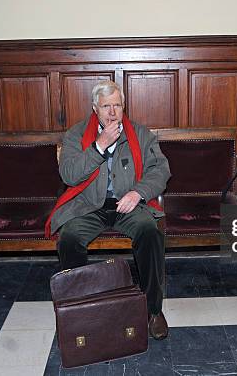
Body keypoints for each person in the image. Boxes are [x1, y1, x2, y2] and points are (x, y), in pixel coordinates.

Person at [46, 80, 171, 340]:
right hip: (88, 205)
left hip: (128, 204)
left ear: (123, 106)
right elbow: (69, 175)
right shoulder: (76, 135)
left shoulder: (140, 133)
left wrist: (138, 193)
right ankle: (77, 310)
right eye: (106, 106)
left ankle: (153, 310)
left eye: (117, 105)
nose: (112, 112)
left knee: (149, 232)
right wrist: (99, 146)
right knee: (69, 239)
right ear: (95, 108)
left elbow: (161, 170)